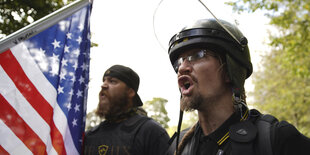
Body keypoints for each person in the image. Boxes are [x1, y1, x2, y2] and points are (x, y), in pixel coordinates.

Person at [166, 18, 310, 155]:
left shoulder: (277, 139)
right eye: (180, 61)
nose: (182, 67)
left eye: (197, 55)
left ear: (230, 70)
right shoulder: (178, 147)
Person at [83, 64, 170, 155]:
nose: (103, 85)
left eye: (112, 81)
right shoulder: (90, 136)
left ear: (130, 92)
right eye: (104, 81)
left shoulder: (150, 132)